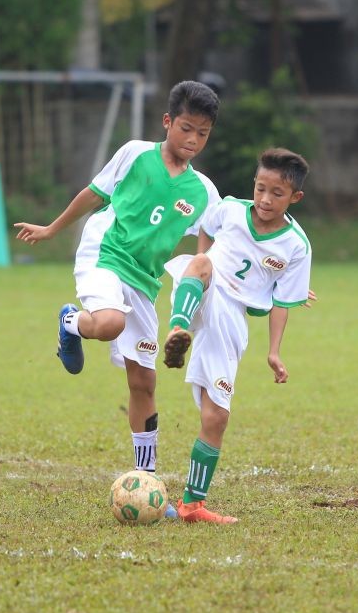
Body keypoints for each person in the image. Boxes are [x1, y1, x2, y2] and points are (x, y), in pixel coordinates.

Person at [13, 81, 222, 519]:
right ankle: (71, 321)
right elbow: (94, 193)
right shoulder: (134, 154)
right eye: (186, 128)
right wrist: (53, 228)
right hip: (104, 254)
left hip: (145, 283)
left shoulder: (204, 192)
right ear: (167, 122)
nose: (192, 140)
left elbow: (215, 247)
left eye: (202, 133)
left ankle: (144, 482)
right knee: (109, 323)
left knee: (144, 383)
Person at [162, 148, 312, 524]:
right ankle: (178, 329)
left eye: (277, 193)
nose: (265, 199)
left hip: (231, 318)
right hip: (201, 289)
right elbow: (205, 228)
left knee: (217, 415)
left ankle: (191, 506)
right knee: (199, 263)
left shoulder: (296, 245)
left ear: (295, 197)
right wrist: (205, 258)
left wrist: (274, 352)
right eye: (260, 188)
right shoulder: (230, 208)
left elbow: (281, 302)